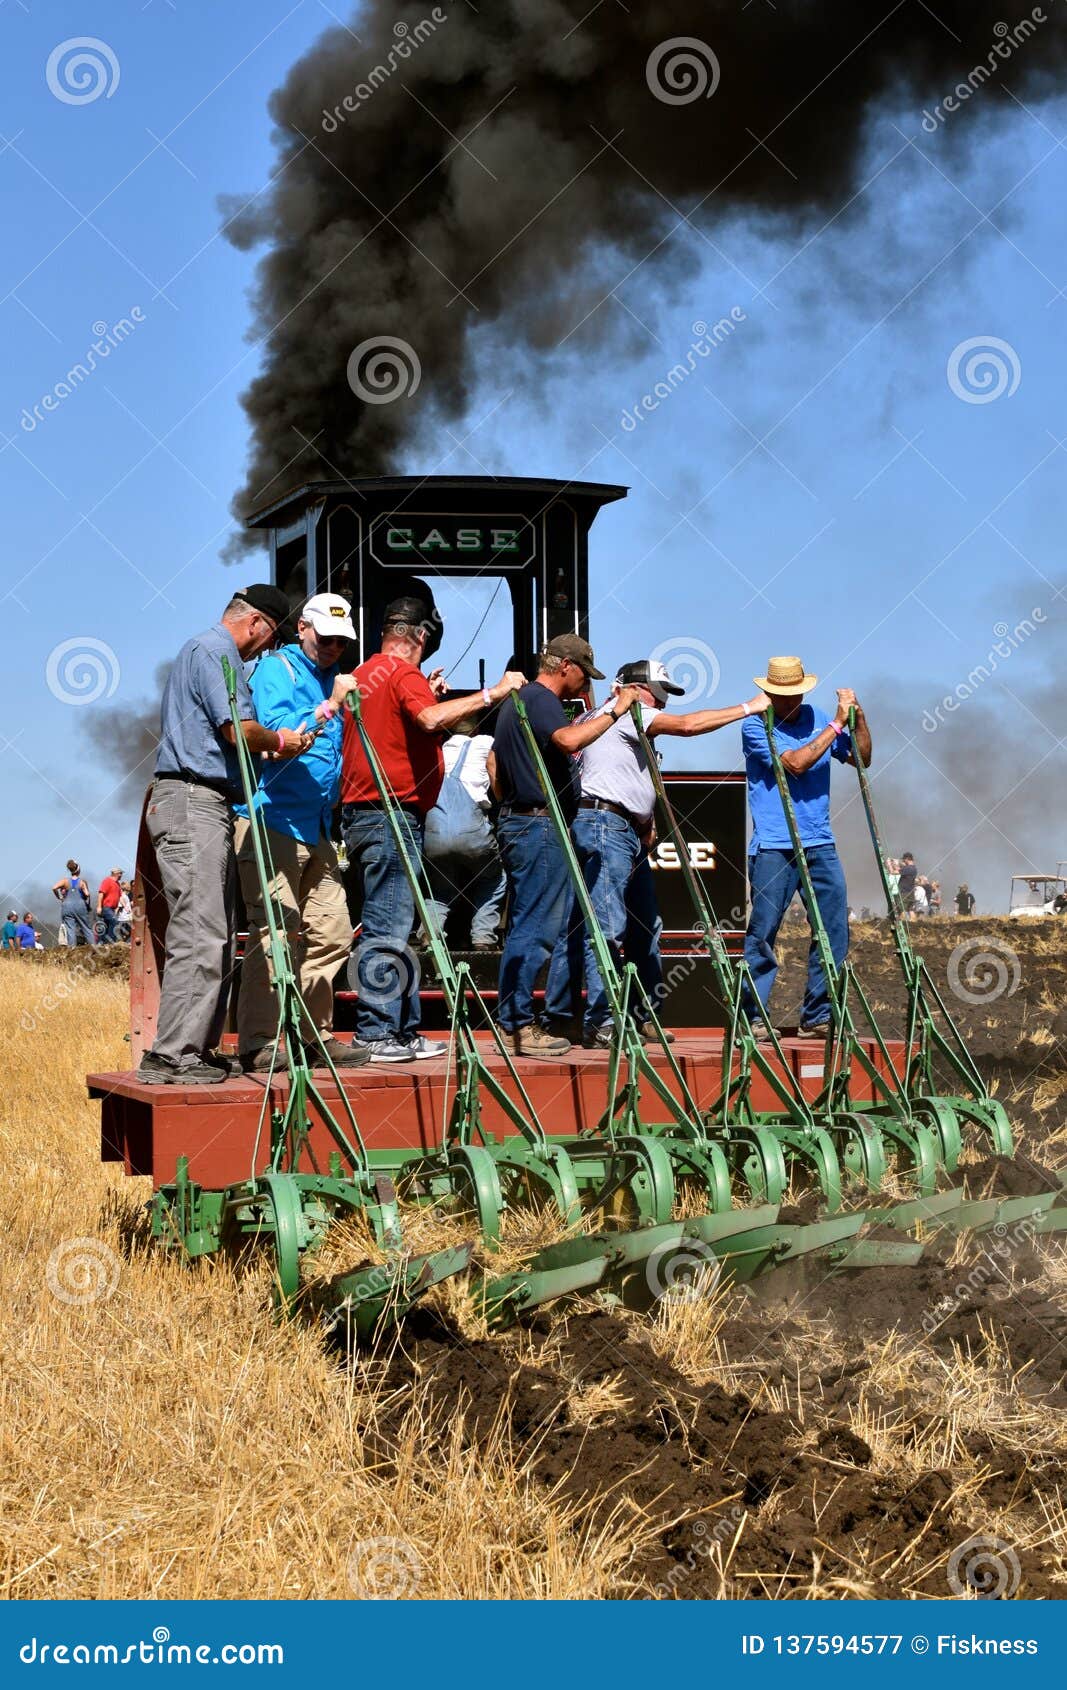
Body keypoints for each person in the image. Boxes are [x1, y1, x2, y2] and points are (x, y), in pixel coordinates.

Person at [544, 657, 769, 1048]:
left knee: (641, 927)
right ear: (631, 688)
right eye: (658, 692)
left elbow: (624, 775)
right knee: (608, 928)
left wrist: (645, 822)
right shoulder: (626, 713)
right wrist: (749, 707)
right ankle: (603, 1021)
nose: (662, 702)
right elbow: (688, 725)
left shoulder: (614, 719)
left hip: (619, 829)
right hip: (606, 828)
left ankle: (632, 1014)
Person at [138, 586, 313, 1086]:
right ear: (256, 622)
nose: (266, 648)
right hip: (193, 800)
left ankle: (198, 1048)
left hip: (205, 800)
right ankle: (172, 1055)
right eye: (271, 637)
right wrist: (281, 739)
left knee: (215, 929)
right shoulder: (216, 653)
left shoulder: (205, 652)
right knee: (202, 929)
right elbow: (237, 729)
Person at [340, 595, 526, 1062]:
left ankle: (399, 1031)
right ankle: (377, 1032)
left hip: (369, 813)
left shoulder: (364, 674)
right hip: (390, 814)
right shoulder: (402, 673)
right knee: (388, 927)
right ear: (421, 636)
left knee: (396, 926)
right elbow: (426, 719)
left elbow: (402, 724)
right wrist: (494, 692)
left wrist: (429, 692)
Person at [491, 634, 644, 1058]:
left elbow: (495, 765)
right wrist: (617, 709)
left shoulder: (521, 700)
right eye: (583, 675)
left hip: (524, 821)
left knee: (530, 924)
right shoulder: (541, 699)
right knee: (537, 928)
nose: (585, 686)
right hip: (538, 825)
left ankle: (515, 1022)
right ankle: (519, 1025)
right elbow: (568, 741)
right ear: (565, 667)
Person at [235, 594, 368, 1073]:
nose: (334, 647)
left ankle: (314, 1034)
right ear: (304, 630)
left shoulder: (331, 677)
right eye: (327, 637)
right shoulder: (277, 671)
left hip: (316, 827)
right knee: (275, 930)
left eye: (341, 641)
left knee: (332, 931)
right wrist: (328, 708)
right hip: (270, 819)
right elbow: (271, 736)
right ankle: (260, 1041)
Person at [740, 654, 871, 1039]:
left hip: (820, 842)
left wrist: (858, 717)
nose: (790, 701)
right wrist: (836, 724)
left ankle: (819, 1015)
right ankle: (751, 1018)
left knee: (833, 928)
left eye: (795, 693)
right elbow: (795, 764)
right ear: (768, 693)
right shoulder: (755, 725)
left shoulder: (815, 718)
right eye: (783, 695)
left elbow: (862, 757)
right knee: (764, 930)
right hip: (774, 845)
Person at [423, 720, 506, 950]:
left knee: (440, 887)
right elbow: (496, 771)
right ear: (478, 728)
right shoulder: (486, 743)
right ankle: (482, 936)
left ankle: (431, 936)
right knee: (494, 879)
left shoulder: (439, 750)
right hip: (472, 832)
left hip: (434, 832)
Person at [52, 860, 96, 948]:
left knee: (70, 929)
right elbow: (87, 894)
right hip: (80, 906)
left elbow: (54, 888)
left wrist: (60, 897)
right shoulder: (82, 882)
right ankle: (93, 947)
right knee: (86, 928)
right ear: (78, 870)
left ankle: (72, 949)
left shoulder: (65, 881)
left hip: (67, 906)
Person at [96, 867, 124, 944]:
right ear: (116, 873)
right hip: (106, 907)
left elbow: (119, 896)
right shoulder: (107, 881)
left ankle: (102, 943)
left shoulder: (117, 884)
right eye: (120, 873)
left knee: (107, 926)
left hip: (112, 908)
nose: (121, 875)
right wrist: (99, 906)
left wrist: (120, 907)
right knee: (115, 922)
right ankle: (111, 942)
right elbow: (101, 893)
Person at [898, 852, 918, 917]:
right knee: (911, 910)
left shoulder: (907, 868)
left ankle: (903, 924)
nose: (903, 861)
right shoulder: (914, 868)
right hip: (911, 892)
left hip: (904, 892)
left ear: (907, 859)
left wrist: (890, 865)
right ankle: (913, 923)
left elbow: (893, 872)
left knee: (902, 909)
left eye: (904, 859)